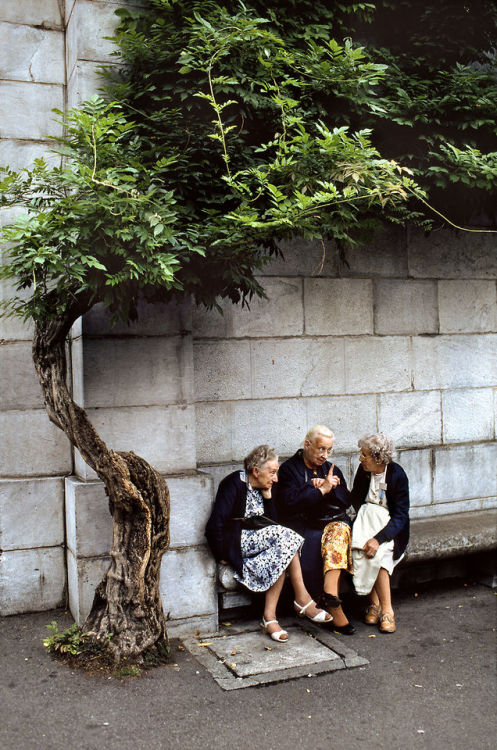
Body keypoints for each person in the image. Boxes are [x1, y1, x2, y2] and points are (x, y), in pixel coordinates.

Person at [205, 444, 331, 643]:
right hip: (240, 544)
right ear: (256, 471)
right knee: (286, 538)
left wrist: (268, 496)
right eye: (272, 473)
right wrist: (222, 555)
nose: (276, 478)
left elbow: (272, 523)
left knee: (282, 552)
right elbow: (215, 525)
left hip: (262, 543)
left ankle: (269, 618)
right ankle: (303, 599)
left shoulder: (265, 487)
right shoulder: (234, 483)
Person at [276, 426, 356, 635]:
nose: (324, 455)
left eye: (328, 450)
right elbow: (288, 504)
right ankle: (331, 603)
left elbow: (346, 502)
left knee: (337, 535)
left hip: (332, 523)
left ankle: (331, 599)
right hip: (303, 526)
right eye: (321, 449)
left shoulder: (330, 468)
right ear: (307, 445)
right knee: (322, 541)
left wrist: (333, 488)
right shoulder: (289, 469)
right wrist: (318, 490)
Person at [350, 434, 410, 634]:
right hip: (366, 520)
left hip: (389, 527)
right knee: (361, 548)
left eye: (364, 455)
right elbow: (355, 498)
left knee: (380, 553)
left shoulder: (397, 475)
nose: (361, 459)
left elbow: (400, 516)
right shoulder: (364, 471)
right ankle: (374, 604)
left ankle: (387, 611)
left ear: (378, 458)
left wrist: (379, 538)